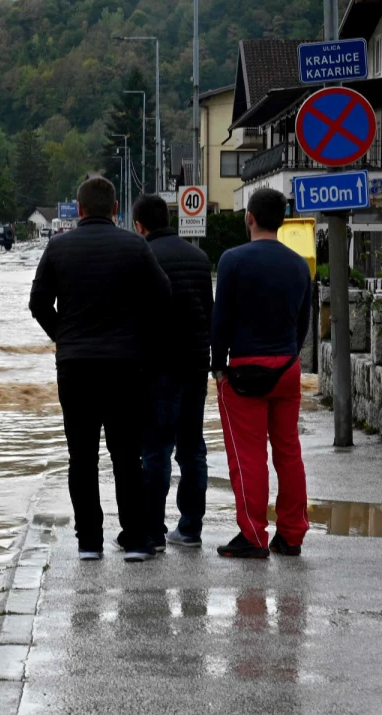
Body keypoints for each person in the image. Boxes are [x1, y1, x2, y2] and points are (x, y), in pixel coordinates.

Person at [30, 176, 171, 562]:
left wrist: (65, 334)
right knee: (126, 453)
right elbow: (163, 296)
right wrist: (135, 336)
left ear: (78, 210)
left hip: (75, 367)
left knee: (82, 456)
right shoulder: (135, 246)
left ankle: (89, 541)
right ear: (114, 210)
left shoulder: (57, 247)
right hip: (125, 367)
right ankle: (137, 539)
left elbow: (38, 302)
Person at [212, 188, 312, 559]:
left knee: (248, 456)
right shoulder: (299, 264)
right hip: (286, 367)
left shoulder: (232, 260)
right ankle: (292, 536)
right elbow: (304, 322)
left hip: (244, 370)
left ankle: (253, 535)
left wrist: (218, 366)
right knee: (289, 451)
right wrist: (289, 354)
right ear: (282, 220)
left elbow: (220, 319)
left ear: (248, 217)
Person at [132, 194, 213, 551]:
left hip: (157, 368)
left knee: (156, 450)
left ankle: (153, 531)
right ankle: (191, 528)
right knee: (192, 449)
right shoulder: (199, 258)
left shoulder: (141, 258)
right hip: (195, 365)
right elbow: (208, 314)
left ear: (139, 226)